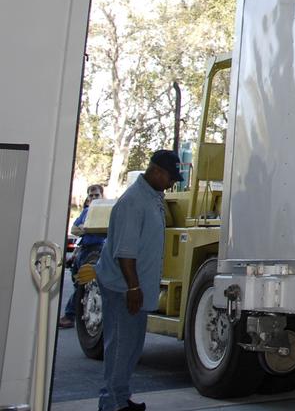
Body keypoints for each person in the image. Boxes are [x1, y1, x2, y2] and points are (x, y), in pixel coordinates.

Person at [94, 151, 182, 411]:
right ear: (155, 171)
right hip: (123, 289)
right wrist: (133, 287)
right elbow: (125, 252)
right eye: (169, 177)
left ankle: (120, 398)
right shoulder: (134, 202)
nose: (171, 183)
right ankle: (110, 404)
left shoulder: (151, 198)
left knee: (131, 349)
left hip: (135, 289)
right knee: (120, 348)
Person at [60, 183, 106, 329]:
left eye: (96, 195)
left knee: (84, 283)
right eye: (91, 195)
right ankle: (74, 314)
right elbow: (74, 229)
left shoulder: (105, 211)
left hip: (96, 250)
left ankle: (70, 315)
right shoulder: (86, 212)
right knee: (77, 284)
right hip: (83, 250)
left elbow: (100, 229)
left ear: (102, 196)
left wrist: (85, 229)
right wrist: (86, 230)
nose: (93, 198)